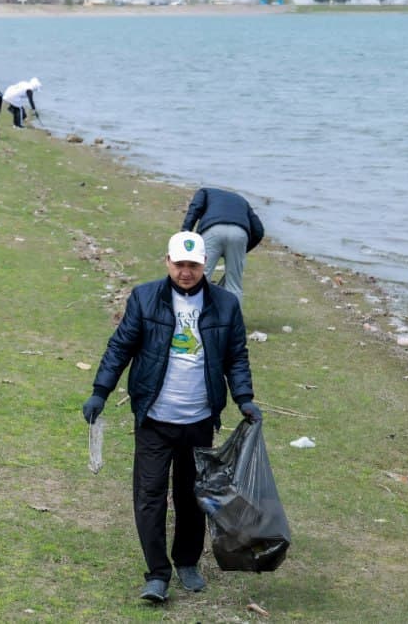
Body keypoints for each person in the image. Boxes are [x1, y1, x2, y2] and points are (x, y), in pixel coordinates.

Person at [82, 231, 260, 605]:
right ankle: (157, 573)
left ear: (205, 267)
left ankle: (187, 562)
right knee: (149, 497)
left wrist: (244, 399)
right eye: (179, 264)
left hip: (198, 420)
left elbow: (236, 357)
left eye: (194, 265)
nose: (186, 272)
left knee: (191, 496)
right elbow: (121, 347)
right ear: (167, 262)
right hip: (154, 418)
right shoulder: (145, 298)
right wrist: (101, 391)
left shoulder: (225, 305)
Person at [180, 187, 264, 303]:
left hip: (213, 230)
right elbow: (259, 231)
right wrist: (242, 250)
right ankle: (233, 320)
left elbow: (194, 209)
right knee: (234, 284)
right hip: (240, 233)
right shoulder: (242, 200)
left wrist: (185, 233)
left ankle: (192, 316)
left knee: (201, 277)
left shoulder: (204, 191)